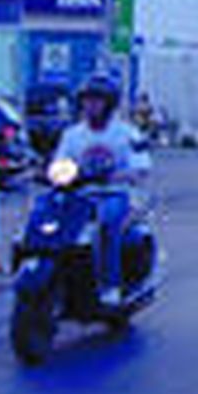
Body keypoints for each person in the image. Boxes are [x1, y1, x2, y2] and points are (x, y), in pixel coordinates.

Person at [52, 72, 149, 308]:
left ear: (109, 104)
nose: (90, 105)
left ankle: (110, 286)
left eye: (97, 100)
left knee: (106, 223)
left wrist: (114, 176)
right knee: (47, 217)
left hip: (117, 194)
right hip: (80, 194)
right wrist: (55, 173)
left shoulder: (127, 134)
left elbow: (141, 170)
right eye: (87, 100)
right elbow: (60, 164)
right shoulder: (72, 134)